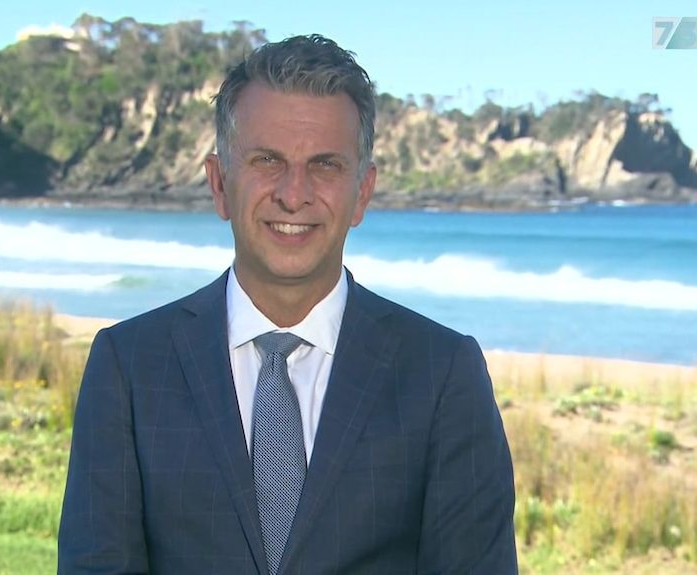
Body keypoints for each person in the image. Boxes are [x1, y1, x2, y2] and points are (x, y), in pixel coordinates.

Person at [58, 34, 517, 574]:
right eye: (267, 160)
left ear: (362, 193)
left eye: (325, 165)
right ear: (220, 183)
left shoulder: (441, 372)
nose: (294, 193)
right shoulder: (129, 364)